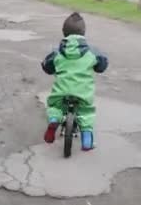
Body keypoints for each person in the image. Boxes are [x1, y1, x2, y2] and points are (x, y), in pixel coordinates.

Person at [40, 12, 108, 150]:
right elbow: (102, 66)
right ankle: (87, 140)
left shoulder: (57, 52)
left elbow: (46, 66)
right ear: (84, 33)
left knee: (55, 106)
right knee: (86, 112)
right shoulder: (92, 51)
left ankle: (54, 120)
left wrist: (53, 68)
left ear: (64, 33)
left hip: (61, 90)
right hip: (83, 92)